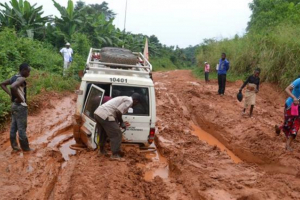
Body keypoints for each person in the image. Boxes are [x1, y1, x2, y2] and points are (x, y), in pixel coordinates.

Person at [94, 93, 140, 161]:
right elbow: (118, 111)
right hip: (105, 114)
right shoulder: (129, 101)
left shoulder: (124, 97)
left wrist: (117, 123)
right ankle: (115, 155)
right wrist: (121, 122)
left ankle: (101, 151)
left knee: (102, 132)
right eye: (137, 103)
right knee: (117, 134)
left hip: (98, 113)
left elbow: (115, 111)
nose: (135, 105)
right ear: (136, 101)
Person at [0, 63, 32, 152]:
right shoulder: (21, 78)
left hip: (14, 105)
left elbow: (2, 84)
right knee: (22, 128)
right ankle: (26, 148)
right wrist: (20, 98)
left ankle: (15, 147)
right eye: (28, 71)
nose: (29, 73)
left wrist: (11, 95)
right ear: (24, 70)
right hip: (21, 107)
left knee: (14, 127)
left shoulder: (14, 77)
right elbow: (13, 87)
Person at [275, 78, 300, 151]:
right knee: (287, 124)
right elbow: (287, 89)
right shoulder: (298, 80)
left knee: (296, 125)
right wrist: (294, 98)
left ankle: (288, 145)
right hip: (290, 105)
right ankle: (279, 128)